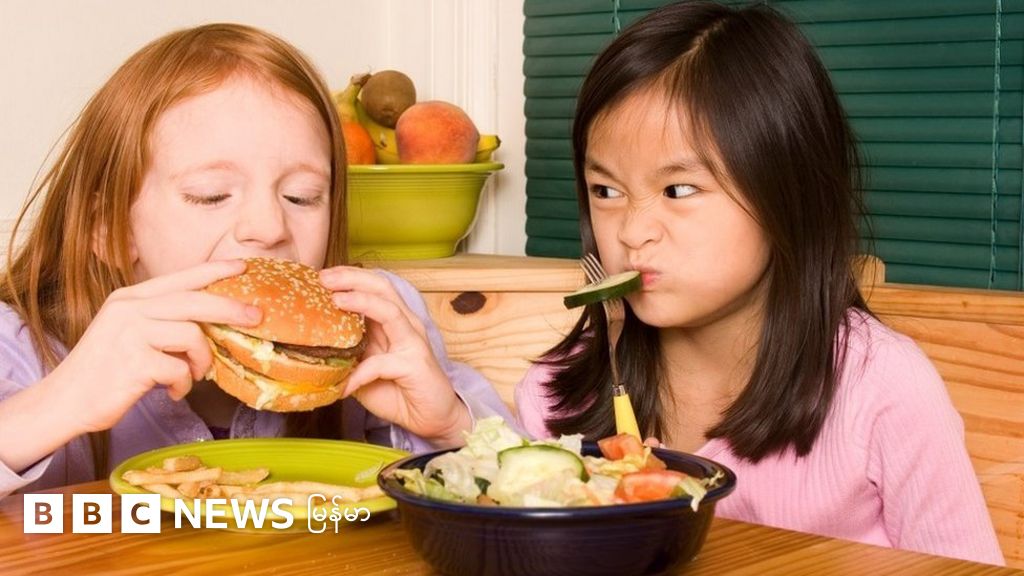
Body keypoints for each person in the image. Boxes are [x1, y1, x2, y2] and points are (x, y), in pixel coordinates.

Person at [513, 1, 1003, 565]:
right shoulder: (556, 394)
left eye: (677, 190)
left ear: (786, 190)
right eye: (606, 191)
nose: (631, 231)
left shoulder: (882, 388)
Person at [0, 23, 513, 498]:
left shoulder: (379, 322)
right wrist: (54, 406)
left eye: (302, 196)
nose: (269, 228)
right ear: (109, 229)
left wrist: (448, 424)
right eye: (211, 195)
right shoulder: (20, 347)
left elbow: (527, 495)